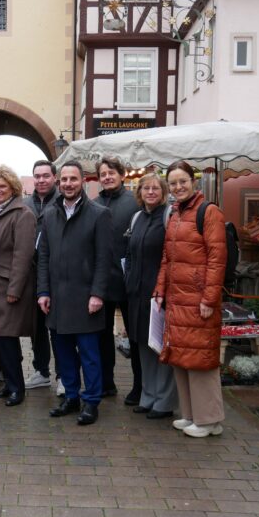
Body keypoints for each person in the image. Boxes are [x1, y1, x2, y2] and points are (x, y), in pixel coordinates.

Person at [154, 160, 227, 438]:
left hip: (197, 299)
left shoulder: (209, 212)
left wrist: (209, 299)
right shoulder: (175, 213)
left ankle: (209, 420)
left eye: (182, 181)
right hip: (177, 298)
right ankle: (191, 415)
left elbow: (217, 259)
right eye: (173, 183)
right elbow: (167, 257)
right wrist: (160, 290)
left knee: (200, 359)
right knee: (181, 357)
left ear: (193, 181)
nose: (178, 187)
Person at [38, 161, 112, 425]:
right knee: (64, 353)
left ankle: (91, 401)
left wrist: (98, 294)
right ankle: (71, 395)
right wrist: (43, 291)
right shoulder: (49, 213)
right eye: (64, 180)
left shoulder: (99, 214)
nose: (68, 184)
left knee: (90, 355)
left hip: (86, 299)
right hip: (57, 298)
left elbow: (105, 259)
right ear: (59, 183)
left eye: (73, 179)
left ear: (83, 181)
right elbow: (43, 255)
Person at [0, 165, 36, 407]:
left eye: (3, 186)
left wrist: (14, 290)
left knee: (7, 339)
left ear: (13, 188)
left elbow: (23, 256)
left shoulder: (23, 214)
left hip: (7, 286)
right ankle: (9, 383)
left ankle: (17, 388)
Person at [124, 172, 177, 419]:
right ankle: (148, 396)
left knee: (160, 348)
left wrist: (164, 288)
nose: (151, 192)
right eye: (146, 188)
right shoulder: (137, 218)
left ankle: (164, 402)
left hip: (159, 294)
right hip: (137, 293)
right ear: (140, 192)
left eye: (156, 188)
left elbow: (173, 256)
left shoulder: (168, 216)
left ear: (164, 192)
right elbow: (132, 255)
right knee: (143, 345)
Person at [94, 157, 141, 400]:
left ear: (122, 175)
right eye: (103, 174)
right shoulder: (93, 204)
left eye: (111, 172)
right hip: (103, 282)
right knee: (102, 337)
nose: (107, 177)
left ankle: (139, 386)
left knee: (134, 337)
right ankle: (106, 382)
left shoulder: (135, 203)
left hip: (130, 281)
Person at [23, 160, 60, 392]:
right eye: (37, 176)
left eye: (46, 176)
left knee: (58, 328)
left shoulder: (62, 201)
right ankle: (41, 371)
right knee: (36, 327)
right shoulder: (25, 203)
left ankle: (63, 375)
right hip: (32, 274)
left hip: (56, 274)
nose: (41, 180)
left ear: (54, 178)